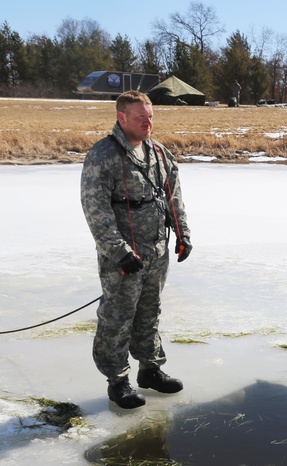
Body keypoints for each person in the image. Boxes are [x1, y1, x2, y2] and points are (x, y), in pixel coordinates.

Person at [80, 90, 193, 410]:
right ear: (122, 118)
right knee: (118, 315)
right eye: (141, 117)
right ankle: (118, 380)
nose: (148, 122)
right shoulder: (103, 155)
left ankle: (150, 369)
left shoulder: (159, 153)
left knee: (149, 311)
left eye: (151, 116)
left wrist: (182, 234)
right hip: (125, 257)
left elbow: (173, 196)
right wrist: (119, 252)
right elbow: (95, 209)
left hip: (157, 250)